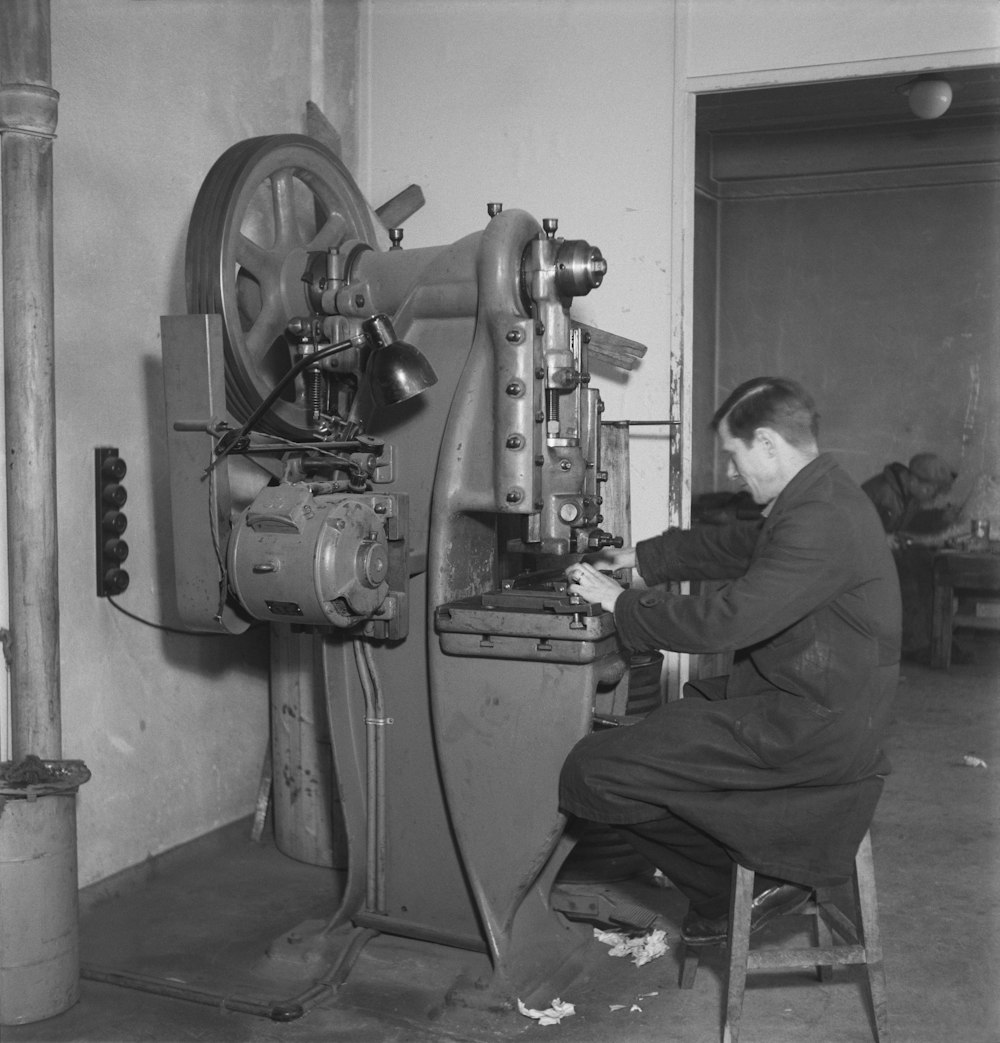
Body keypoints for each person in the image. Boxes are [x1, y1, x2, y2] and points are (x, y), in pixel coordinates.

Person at [560, 376, 901, 945]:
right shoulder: (821, 496)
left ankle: (737, 886)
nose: (731, 472)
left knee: (594, 769)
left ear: (766, 443)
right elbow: (735, 546)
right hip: (812, 706)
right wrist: (643, 560)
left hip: (810, 729)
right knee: (660, 731)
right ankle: (734, 874)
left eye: (733, 456)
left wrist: (621, 601)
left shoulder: (821, 519)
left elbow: (727, 620)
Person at [862, 453, 961, 662]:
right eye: (931, 491)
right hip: (861, 558)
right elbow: (852, 527)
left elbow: (908, 523)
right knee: (907, 576)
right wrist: (882, 537)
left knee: (929, 567)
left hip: (883, 553)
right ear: (914, 480)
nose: (932, 496)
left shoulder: (907, 493)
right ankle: (914, 645)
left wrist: (940, 517)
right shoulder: (883, 491)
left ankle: (940, 639)